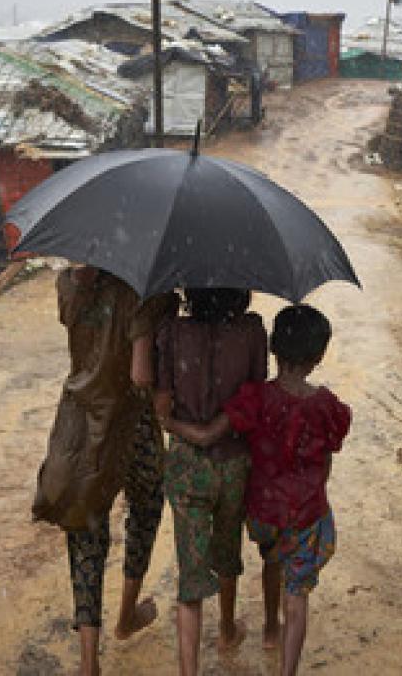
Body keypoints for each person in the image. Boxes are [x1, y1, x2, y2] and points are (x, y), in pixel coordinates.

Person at [164, 304, 350, 676]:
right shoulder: (329, 407)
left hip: (265, 513)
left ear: (273, 350)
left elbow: (207, 434)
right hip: (307, 512)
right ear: (318, 357)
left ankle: (267, 623)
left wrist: (169, 423)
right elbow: (328, 455)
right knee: (296, 595)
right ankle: (277, 643)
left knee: (271, 560)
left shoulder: (256, 398)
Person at [32, 265, 179, 676]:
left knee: (84, 533)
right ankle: (127, 614)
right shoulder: (145, 291)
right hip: (131, 427)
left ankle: (88, 661)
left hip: (79, 427)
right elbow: (141, 375)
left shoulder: (67, 285)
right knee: (146, 508)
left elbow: (79, 317)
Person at [154, 288, 268, 676]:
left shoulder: (171, 332)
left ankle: (189, 670)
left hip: (187, 464)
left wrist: (185, 429)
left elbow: (161, 404)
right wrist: (220, 427)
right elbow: (257, 396)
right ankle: (226, 628)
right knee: (227, 546)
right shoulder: (252, 331)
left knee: (191, 567)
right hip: (234, 460)